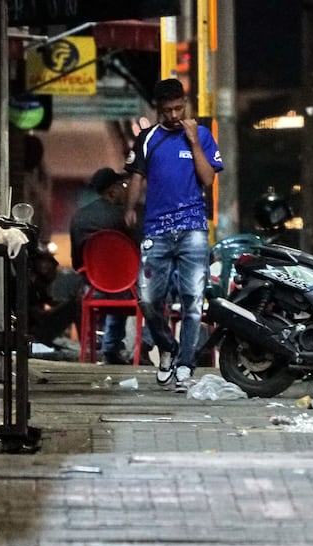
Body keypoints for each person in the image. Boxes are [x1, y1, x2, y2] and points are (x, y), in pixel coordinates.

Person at [124, 78, 223, 391]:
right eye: (167, 110)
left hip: (193, 226)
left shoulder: (202, 136)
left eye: (179, 108)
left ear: (185, 103)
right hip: (156, 228)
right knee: (148, 297)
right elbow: (137, 176)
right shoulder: (148, 138)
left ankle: (186, 364)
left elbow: (207, 179)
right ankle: (167, 346)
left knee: (193, 299)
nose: (174, 115)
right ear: (158, 109)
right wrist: (130, 208)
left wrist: (194, 141)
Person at [70, 167, 145, 364]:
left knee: (116, 280)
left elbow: (76, 262)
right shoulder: (129, 218)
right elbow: (142, 254)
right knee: (156, 288)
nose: (128, 190)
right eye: (124, 185)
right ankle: (145, 344)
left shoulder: (79, 217)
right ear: (112, 191)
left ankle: (111, 348)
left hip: (93, 290)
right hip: (129, 291)